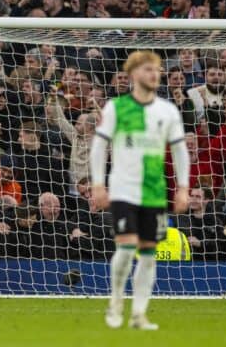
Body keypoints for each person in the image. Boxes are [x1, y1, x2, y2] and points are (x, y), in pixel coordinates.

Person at [90, 51, 190, 330]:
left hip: (154, 192)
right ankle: (116, 300)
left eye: (157, 70)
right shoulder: (116, 108)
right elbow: (99, 147)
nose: (154, 74)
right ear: (134, 75)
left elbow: (180, 151)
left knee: (148, 252)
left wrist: (183, 188)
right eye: (148, 70)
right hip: (123, 189)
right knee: (126, 247)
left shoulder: (167, 111)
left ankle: (139, 313)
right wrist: (98, 183)